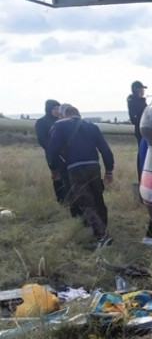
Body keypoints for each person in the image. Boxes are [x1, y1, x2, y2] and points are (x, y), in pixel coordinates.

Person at [47, 106, 115, 249]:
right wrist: (109, 170)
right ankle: (104, 231)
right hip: (94, 166)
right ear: (78, 114)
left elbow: (51, 150)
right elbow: (105, 150)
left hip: (75, 168)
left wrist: (54, 169)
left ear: (64, 115)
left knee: (86, 202)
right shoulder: (92, 127)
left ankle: (101, 237)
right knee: (98, 199)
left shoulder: (59, 125)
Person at [34, 99, 66, 203]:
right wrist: (55, 150)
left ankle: (73, 200)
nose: (57, 110)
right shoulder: (41, 122)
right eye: (54, 108)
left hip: (68, 154)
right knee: (58, 177)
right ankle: (62, 201)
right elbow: (42, 140)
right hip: (53, 156)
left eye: (58, 108)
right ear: (48, 110)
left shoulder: (63, 121)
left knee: (71, 177)